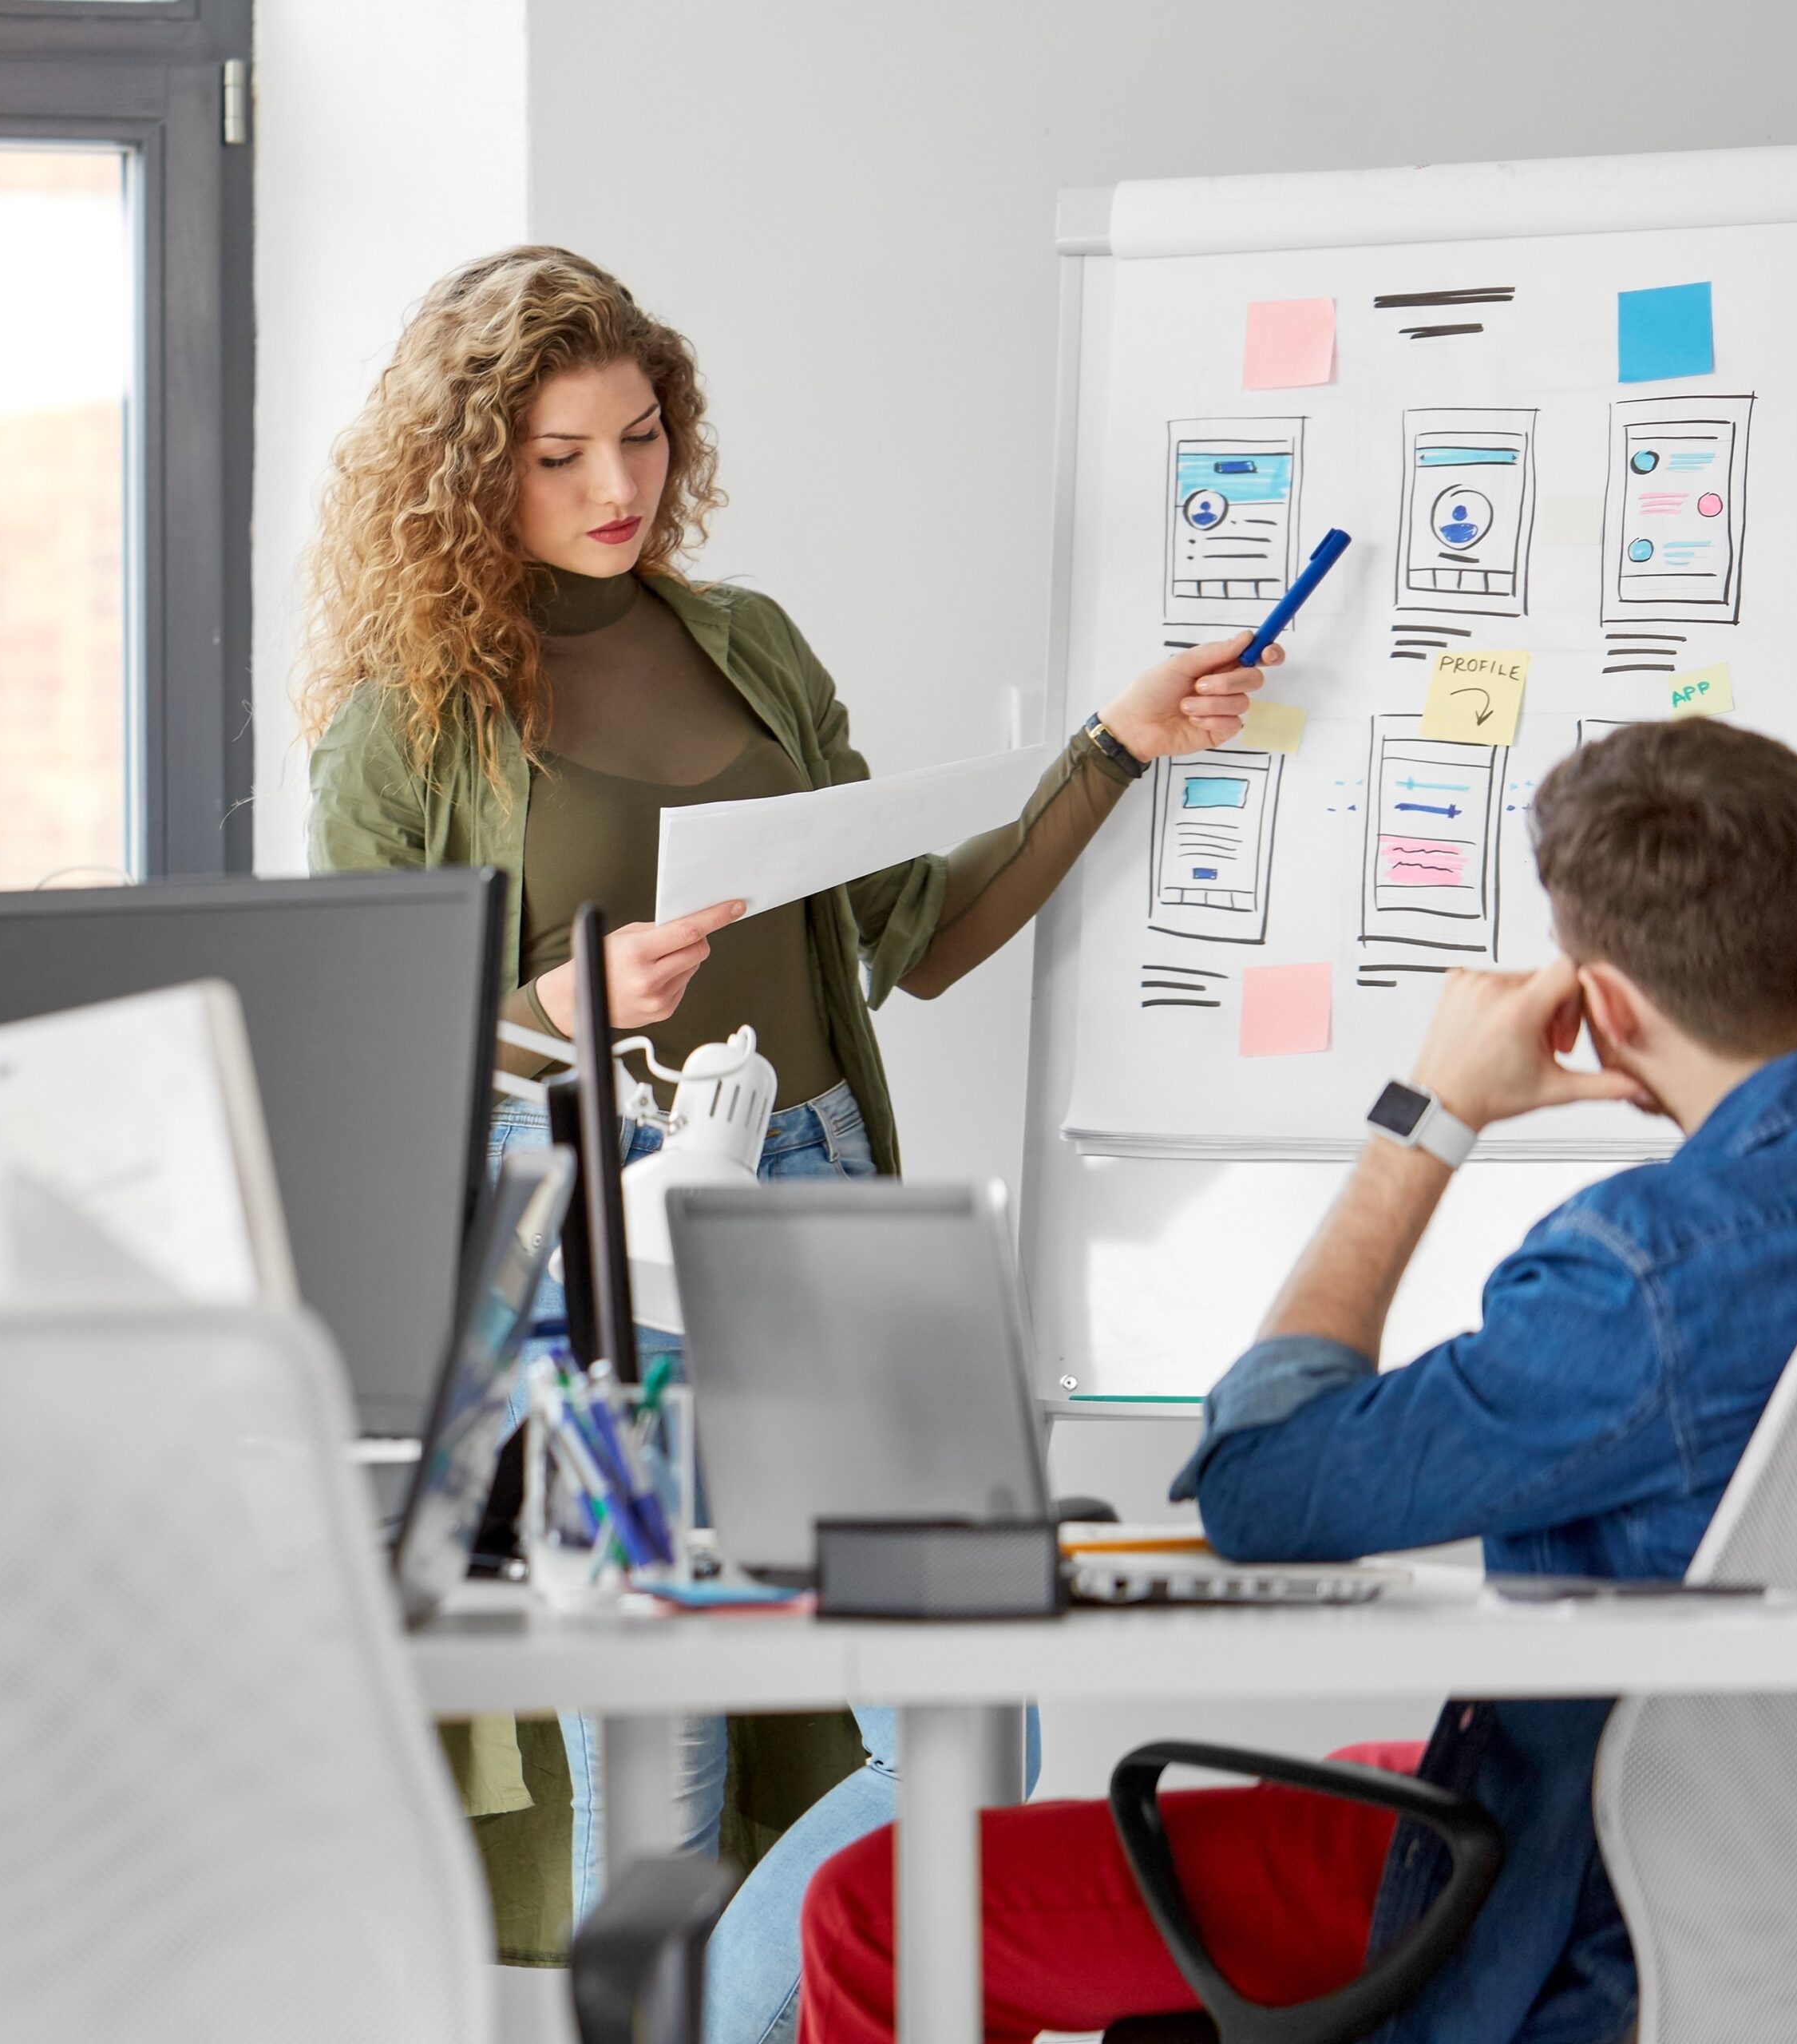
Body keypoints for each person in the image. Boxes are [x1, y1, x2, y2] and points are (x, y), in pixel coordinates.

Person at [298, 247, 1280, 2017]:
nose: (617, 489)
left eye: (642, 436)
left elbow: (921, 931)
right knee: (654, 1759)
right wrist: (558, 1005)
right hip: (605, 1245)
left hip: (825, 1198)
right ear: (469, 471)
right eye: (560, 455)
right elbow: (364, 1057)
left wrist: (1112, 749)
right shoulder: (408, 723)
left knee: (969, 1725)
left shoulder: (745, 645)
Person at [798, 717, 1797, 2044]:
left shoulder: (1650, 1274)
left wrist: (1426, 1118)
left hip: (1598, 1909)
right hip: (1769, 1885)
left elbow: (1263, 1488)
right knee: (1360, 1778)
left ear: (1605, 1009)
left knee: (878, 1911)